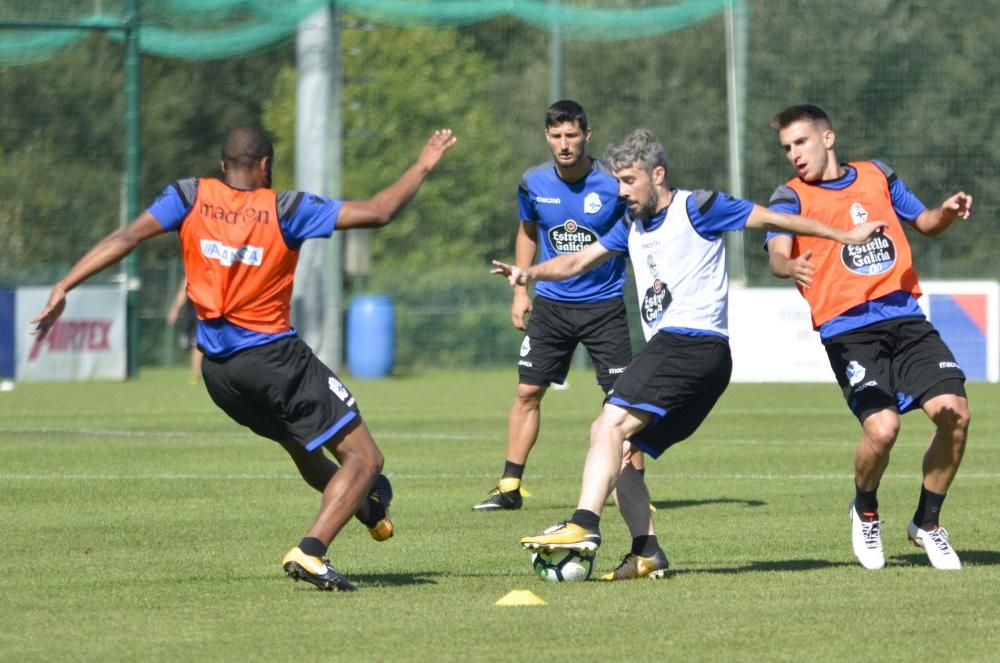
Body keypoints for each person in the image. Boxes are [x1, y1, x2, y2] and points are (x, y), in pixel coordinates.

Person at [31, 125, 457, 591]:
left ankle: (369, 510)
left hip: (220, 375)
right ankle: (312, 550)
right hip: (274, 359)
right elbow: (379, 211)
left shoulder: (189, 195)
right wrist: (423, 164)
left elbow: (128, 235)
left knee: (301, 444)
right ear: (265, 165)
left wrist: (64, 284)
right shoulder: (284, 208)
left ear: (222, 165)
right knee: (365, 458)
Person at [491, 128, 885, 580]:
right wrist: (530, 271)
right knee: (619, 451)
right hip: (695, 358)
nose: (621, 191)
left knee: (608, 423)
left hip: (692, 343)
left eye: (629, 181)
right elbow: (578, 262)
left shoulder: (700, 207)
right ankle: (646, 550)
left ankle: (583, 525)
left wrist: (844, 235)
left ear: (657, 174)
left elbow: (775, 219)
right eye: (617, 181)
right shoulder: (630, 224)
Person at [766, 104, 972, 571]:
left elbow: (924, 223)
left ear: (828, 138)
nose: (794, 154)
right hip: (848, 329)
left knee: (955, 415)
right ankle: (865, 508)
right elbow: (778, 254)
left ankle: (927, 522)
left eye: (800, 143)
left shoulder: (877, 174)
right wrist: (789, 266)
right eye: (786, 148)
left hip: (905, 316)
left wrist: (946, 211)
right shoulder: (789, 196)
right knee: (883, 429)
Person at [474, 100, 637, 512]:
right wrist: (520, 291)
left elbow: (638, 231)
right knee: (527, 390)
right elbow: (528, 232)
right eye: (557, 136)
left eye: (572, 135)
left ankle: (631, 491)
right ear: (547, 137)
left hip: (604, 306)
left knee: (623, 400)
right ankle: (509, 487)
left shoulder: (612, 183)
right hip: (552, 306)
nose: (564, 144)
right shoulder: (533, 182)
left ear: (587, 135)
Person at [166, 280, 203, 383]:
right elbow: (182, 292)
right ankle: (198, 368)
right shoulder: (189, 274)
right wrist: (175, 310)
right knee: (188, 345)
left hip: (203, 313)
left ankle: (196, 375)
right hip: (189, 313)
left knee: (197, 345)